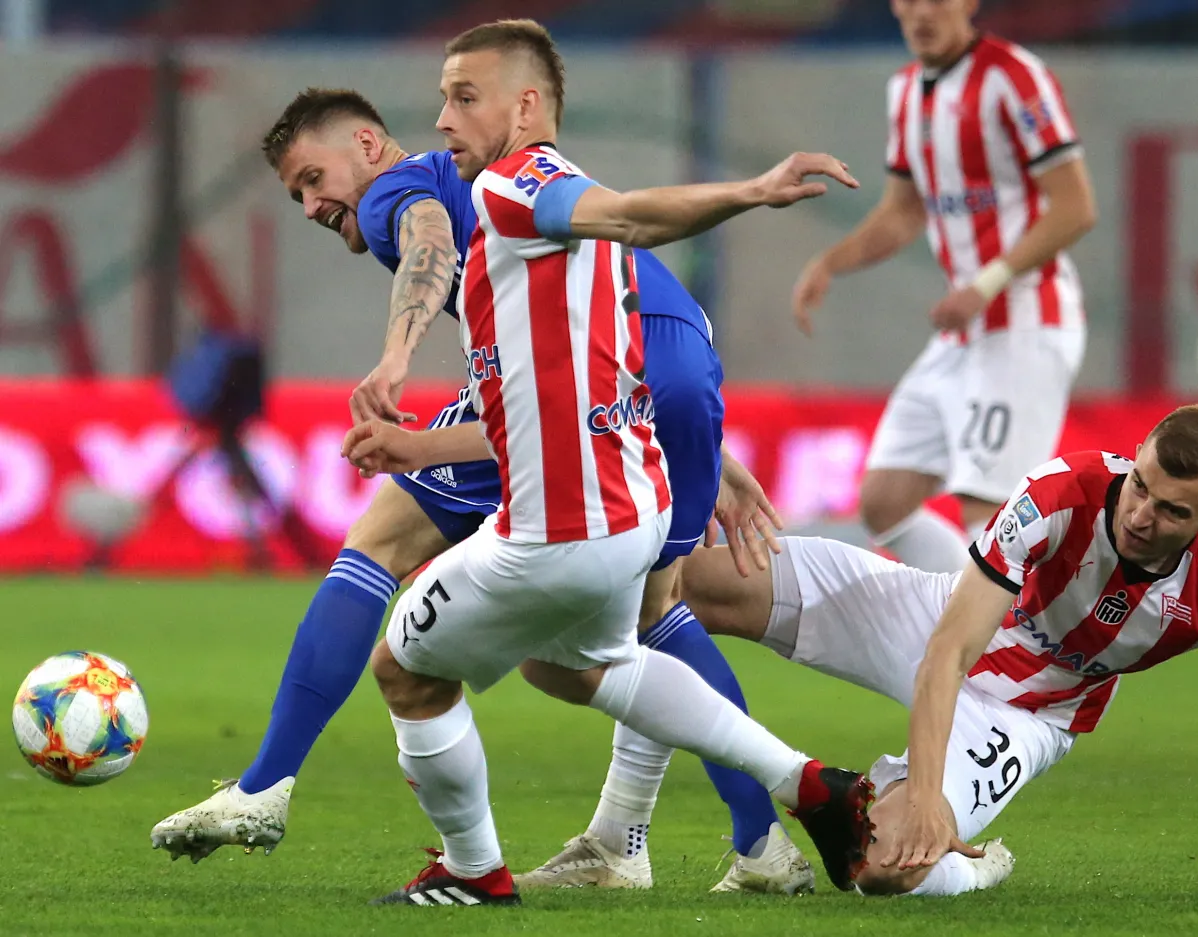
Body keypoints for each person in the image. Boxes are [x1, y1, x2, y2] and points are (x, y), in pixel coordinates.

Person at [150, 84, 814, 892]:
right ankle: (757, 845)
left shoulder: (404, 187)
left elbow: (429, 239)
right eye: (295, 194)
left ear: (366, 145)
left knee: (381, 547)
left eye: (312, 178)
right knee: (653, 618)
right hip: (665, 355)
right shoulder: (514, 178)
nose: (311, 205)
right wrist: (696, 435)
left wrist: (397, 355)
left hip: (623, 369)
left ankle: (267, 787)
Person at [331, 19, 876, 905]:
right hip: (632, 515)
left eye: (464, 97)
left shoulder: (513, 189)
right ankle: (809, 784)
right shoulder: (569, 240)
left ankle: (473, 871)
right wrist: (422, 446)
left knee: (403, 667)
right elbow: (580, 387)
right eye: (442, 98)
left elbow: (633, 212)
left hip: (559, 533)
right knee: (577, 665)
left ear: (527, 104)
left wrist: (755, 188)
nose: (442, 118)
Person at [678, 405, 1198, 901]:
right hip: (940, 618)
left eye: (1174, 511)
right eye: (1141, 485)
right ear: (1136, 451)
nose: (1143, 514)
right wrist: (930, 801)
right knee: (680, 585)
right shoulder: (1058, 492)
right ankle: (620, 832)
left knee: (882, 868)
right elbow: (948, 649)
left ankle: (973, 862)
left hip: (1030, 714)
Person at [792, 0, 1095, 574]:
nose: (921, 12)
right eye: (910, 0)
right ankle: (968, 623)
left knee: (989, 510)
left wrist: (987, 283)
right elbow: (904, 212)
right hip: (964, 330)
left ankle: (1012, 647)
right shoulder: (906, 90)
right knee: (883, 502)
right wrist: (831, 262)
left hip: (1026, 321)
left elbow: (1076, 206)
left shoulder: (1013, 76)